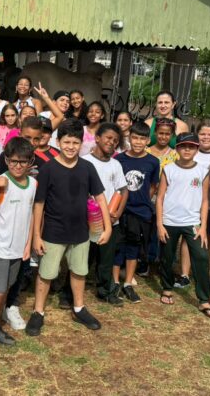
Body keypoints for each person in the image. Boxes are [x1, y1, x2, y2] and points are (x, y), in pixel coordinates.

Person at [25, 119, 111, 336]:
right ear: (58, 141)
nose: (70, 147)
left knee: (79, 271)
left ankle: (79, 307)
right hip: (53, 232)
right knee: (46, 273)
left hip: (81, 232)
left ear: (81, 143)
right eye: (66, 142)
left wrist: (107, 227)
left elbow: (100, 197)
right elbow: (39, 205)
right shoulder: (49, 169)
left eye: (75, 142)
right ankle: (38, 311)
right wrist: (36, 235)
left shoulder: (87, 167)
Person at [0, 138, 37, 366]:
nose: (18, 166)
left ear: (30, 162)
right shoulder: (1, 182)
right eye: (13, 161)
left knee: (6, 289)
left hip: (18, 249)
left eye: (23, 162)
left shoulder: (32, 184)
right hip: (0, 248)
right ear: (7, 160)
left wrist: (28, 244)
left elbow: (30, 216)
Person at [155, 133, 210, 319]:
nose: (187, 150)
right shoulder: (169, 169)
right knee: (167, 257)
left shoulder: (202, 171)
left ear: (197, 149)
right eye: (183, 146)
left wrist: (203, 227)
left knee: (200, 256)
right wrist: (159, 224)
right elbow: (159, 198)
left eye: (191, 146)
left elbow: (205, 201)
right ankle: (167, 288)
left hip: (192, 222)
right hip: (169, 221)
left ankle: (204, 299)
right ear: (177, 148)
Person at [82, 123, 128, 305]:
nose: (112, 142)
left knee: (106, 260)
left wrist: (117, 214)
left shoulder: (115, 165)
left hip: (109, 222)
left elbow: (124, 190)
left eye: (116, 140)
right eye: (108, 138)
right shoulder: (84, 162)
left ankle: (105, 290)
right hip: (86, 221)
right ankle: (69, 292)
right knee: (82, 258)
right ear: (98, 138)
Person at [114, 122, 160, 302]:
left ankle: (127, 283)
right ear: (129, 138)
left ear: (148, 140)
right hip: (120, 211)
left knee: (134, 247)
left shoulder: (153, 162)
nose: (138, 142)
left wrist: (143, 201)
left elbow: (153, 187)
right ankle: (115, 282)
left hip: (141, 212)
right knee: (118, 246)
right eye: (135, 138)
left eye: (142, 138)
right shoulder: (119, 159)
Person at [174, 119, 210, 288]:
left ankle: (202, 272)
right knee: (187, 238)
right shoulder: (190, 150)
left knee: (205, 238)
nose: (206, 137)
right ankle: (185, 274)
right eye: (202, 134)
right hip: (187, 204)